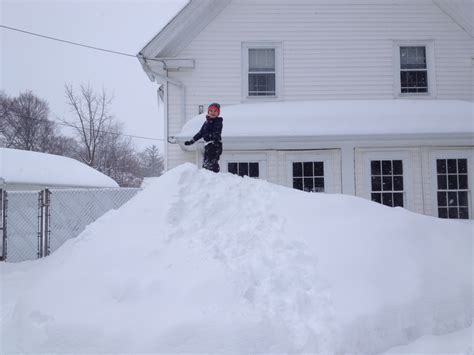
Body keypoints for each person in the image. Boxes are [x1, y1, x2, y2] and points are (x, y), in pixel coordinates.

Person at [184, 103, 223, 173]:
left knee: (211, 164)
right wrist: (191, 141)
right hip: (208, 146)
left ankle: (215, 178)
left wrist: (215, 142)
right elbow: (200, 133)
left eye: (215, 111)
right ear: (208, 112)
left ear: (218, 113)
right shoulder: (206, 122)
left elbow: (216, 132)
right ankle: (207, 180)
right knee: (206, 165)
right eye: (211, 111)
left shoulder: (218, 121)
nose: (213, 113)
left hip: (215, 145)